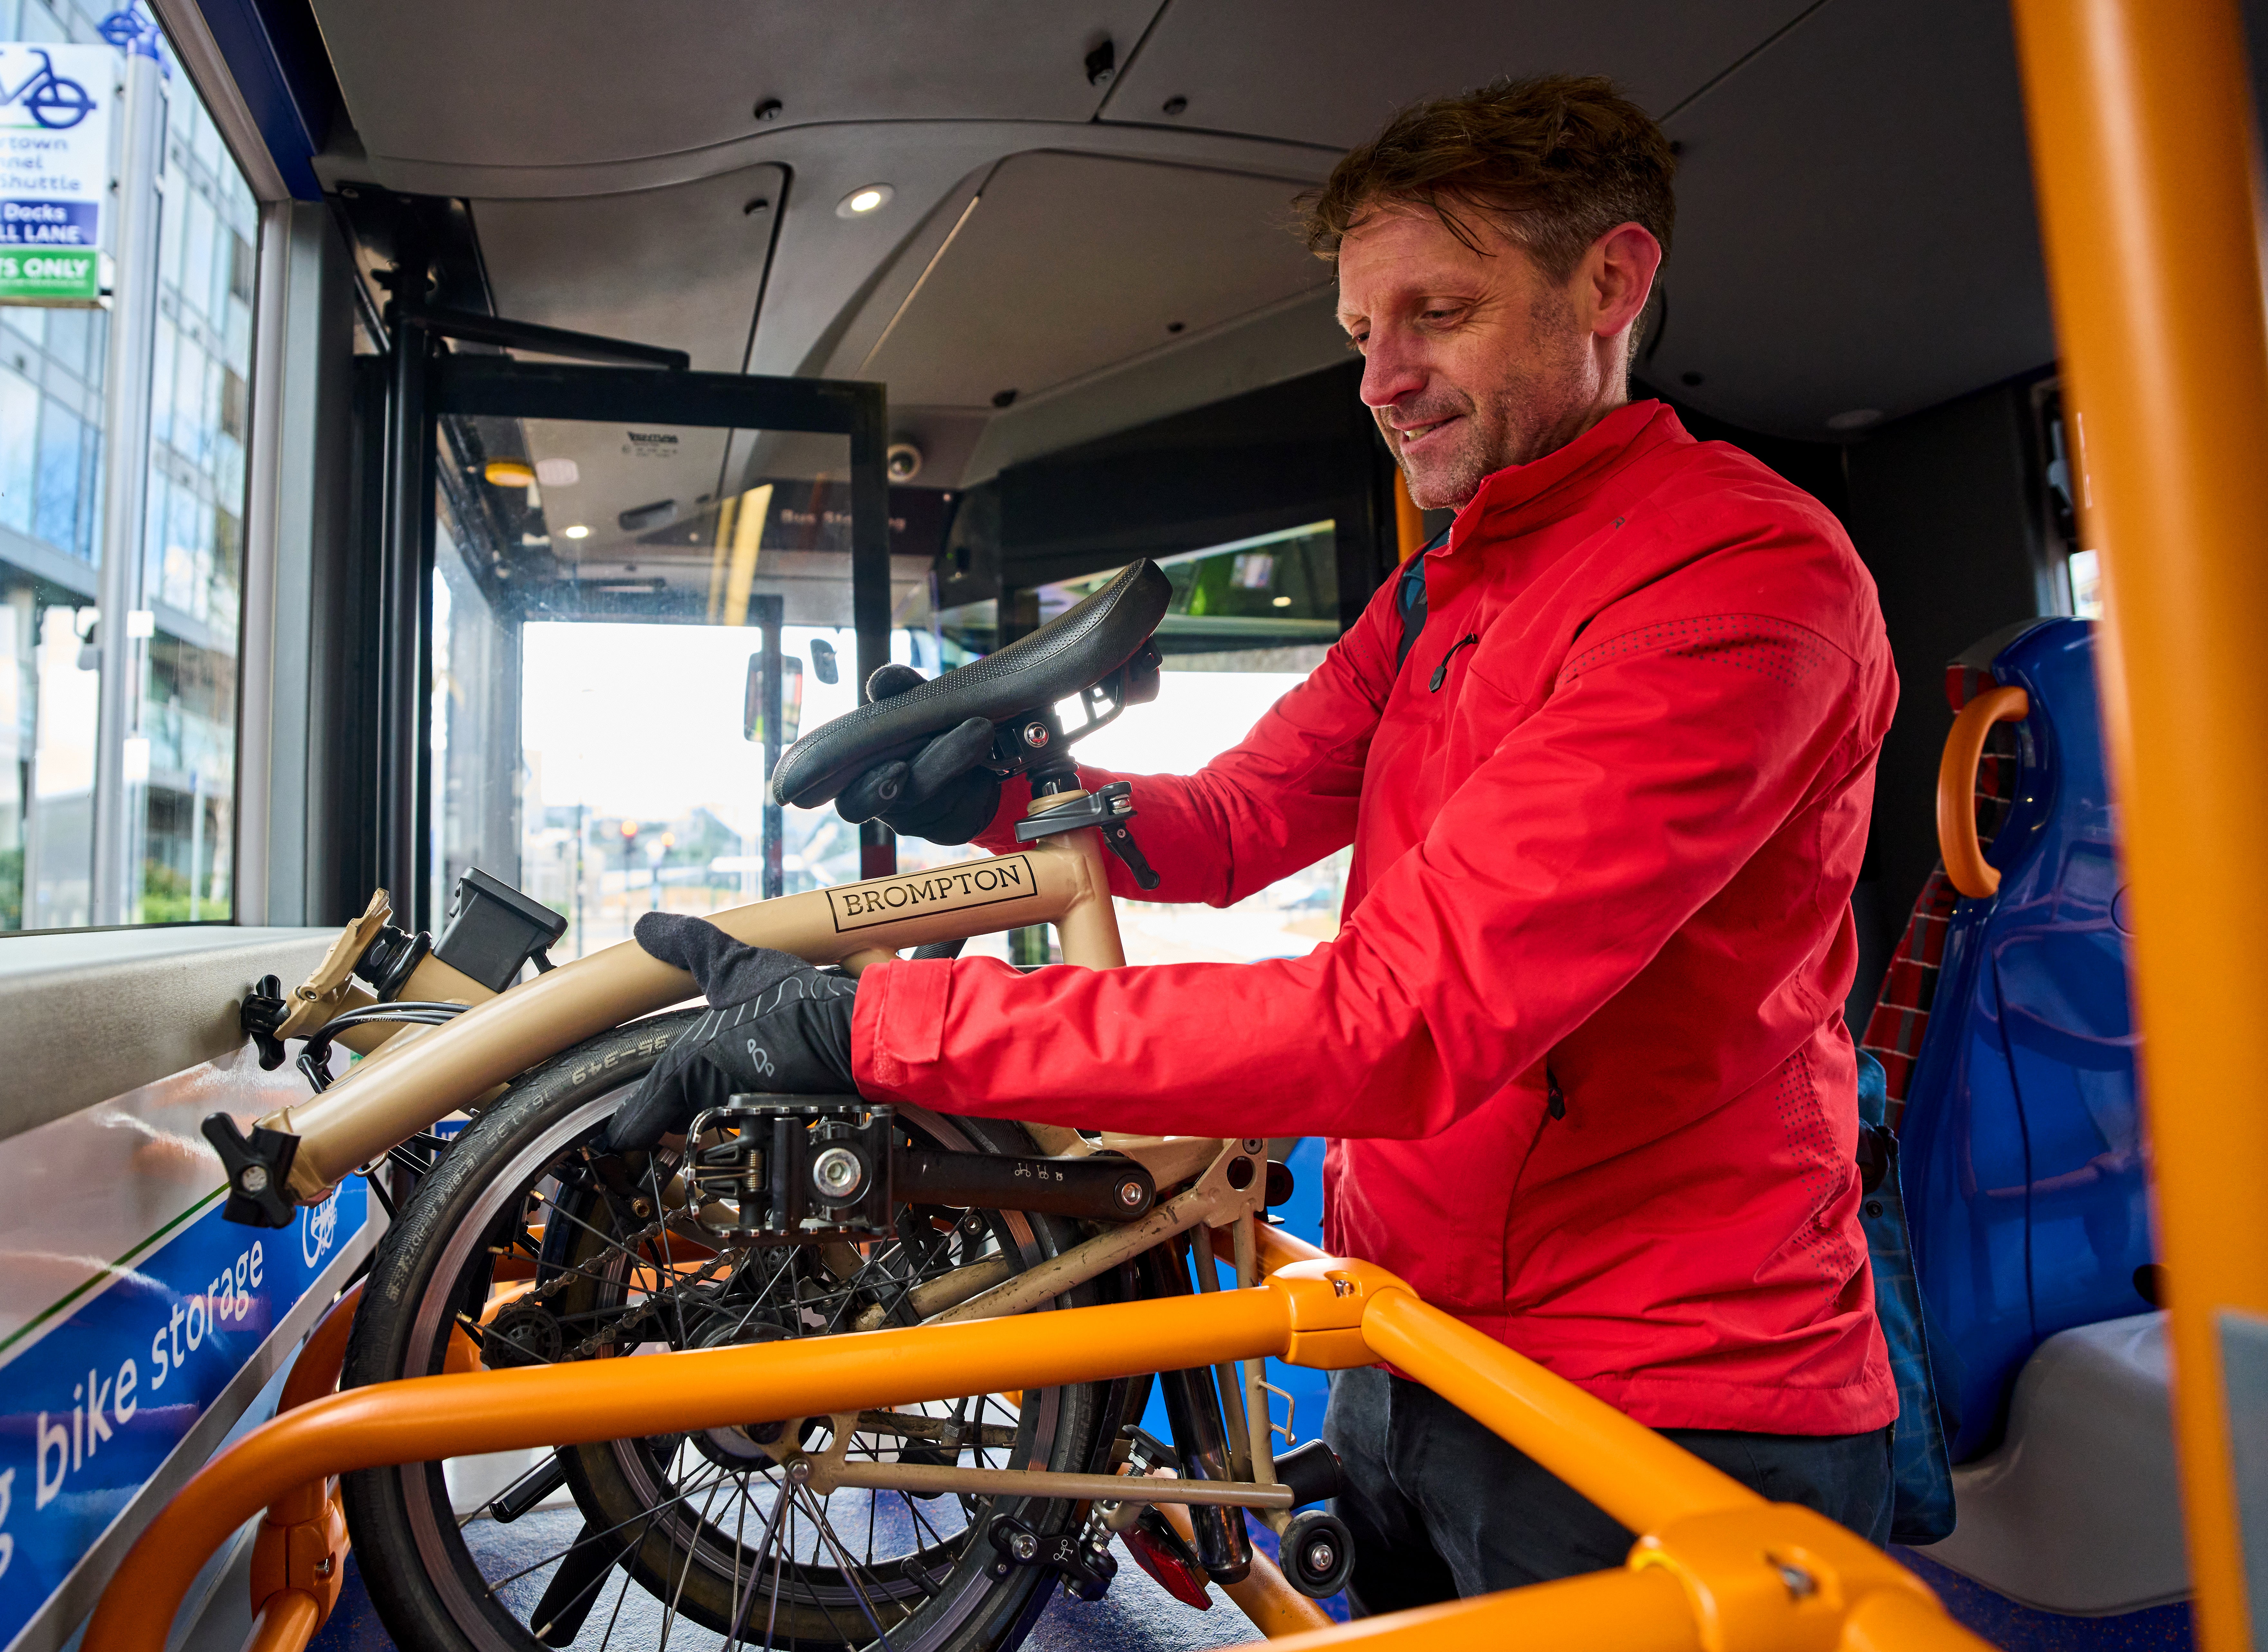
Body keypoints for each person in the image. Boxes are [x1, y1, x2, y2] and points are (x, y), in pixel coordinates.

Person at [630, 72, 1901, 1608]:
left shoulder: (1740, 581)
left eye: (1437, 311)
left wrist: (882, 1023)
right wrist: (999, 800)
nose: (1383, 379)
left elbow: (1410, 1014)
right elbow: (1233, 821)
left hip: (1660, 1399)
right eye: (1366, 330)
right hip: (1411, 1332)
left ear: (1611, 284)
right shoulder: (1445, 585)